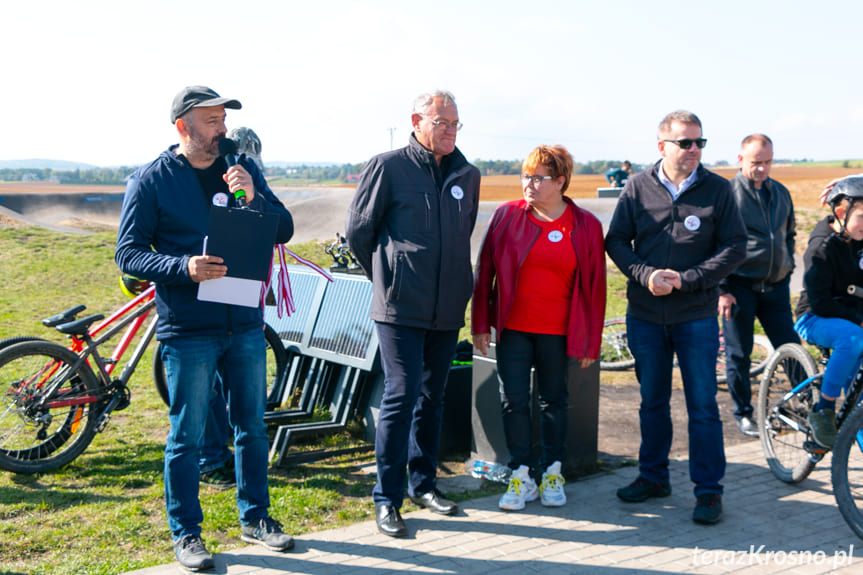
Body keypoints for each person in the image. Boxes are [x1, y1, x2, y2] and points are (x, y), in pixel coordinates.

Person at [115, 86, 295, 571]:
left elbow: (284, 229)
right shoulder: (151, 181)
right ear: (183, 127)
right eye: (212, 121)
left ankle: (256, 518)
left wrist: (255, 197)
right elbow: (127, 253)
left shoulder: (243, 169)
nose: (223, 130)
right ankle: (187, 534)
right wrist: (184, 267)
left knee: (252, 429)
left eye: (222, 119)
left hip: (244, 322)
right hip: (189, 327)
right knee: (188, 436)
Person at [345, 90, 480, 538]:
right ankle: (387, 498)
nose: (449, 131)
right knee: (400, 398)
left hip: (447, 307)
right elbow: (359, 233)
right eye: (441, 122)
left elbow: (461, 235)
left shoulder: (468, 174)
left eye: (455, 123)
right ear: (417, 121)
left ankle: (425, 484)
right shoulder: (388, 167)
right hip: (400, 307)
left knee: (432, 398)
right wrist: (389, 278)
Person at [605, 110, 746, 525]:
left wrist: (688, 280)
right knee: (652, 403)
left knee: (703, 406)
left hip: (696, 316)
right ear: (662, 145)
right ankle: (653, 477)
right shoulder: (636, 187)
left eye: (700, 142)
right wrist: (646, 275)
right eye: (685, 143)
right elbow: (616, 240)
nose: (694, 150)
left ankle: (708, 492)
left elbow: (735, 246)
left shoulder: (718, 190)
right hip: (646, 315)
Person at [472, 144, 606, 511]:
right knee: (512, 401)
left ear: (560, 181)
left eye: (538, 178)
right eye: (525, 176)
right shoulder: (505, 216)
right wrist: (481, 324)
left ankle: (552, 471)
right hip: (514, 329)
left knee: (554, 401)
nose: (529, 184)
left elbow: (595, 289)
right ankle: (521, 474)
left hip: (559, 332)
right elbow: (484, 273)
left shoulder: (586, 226)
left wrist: (590, 343)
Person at [719, 134, 799, 437]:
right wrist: (722, 289)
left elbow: (788, 235)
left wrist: (787, 268)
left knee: (790, 346)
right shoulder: (726, 194)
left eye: (767, 162)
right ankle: (744, 414)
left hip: (776, 286)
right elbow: (715, 244)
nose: (763, 169)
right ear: (740, 160)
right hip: (739, 287)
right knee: (740, 353)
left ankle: (804, 401)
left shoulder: (780, 192)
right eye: (756, 163)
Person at [794, 175, 863, 448]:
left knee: (857, 401)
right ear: (840, 213)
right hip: (814, 317)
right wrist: (858, 321)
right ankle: (823, 409)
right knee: (852, 340)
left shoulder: (857, 237)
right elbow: (819, 302)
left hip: (851, 318)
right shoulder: (821, 246)